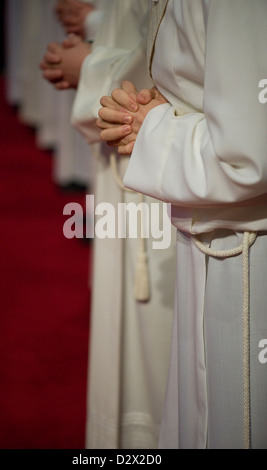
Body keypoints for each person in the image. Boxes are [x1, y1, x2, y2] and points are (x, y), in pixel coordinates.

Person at [97, 0, 267, 449]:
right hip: (221, 235)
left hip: (245, 246)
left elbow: (250, 155)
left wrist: (151, 127)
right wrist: (163, 108)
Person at [40, 0, 176, 449]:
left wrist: (88, 66)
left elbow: (166, 58)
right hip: (127, 151)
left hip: (158, 163)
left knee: (157, 344)